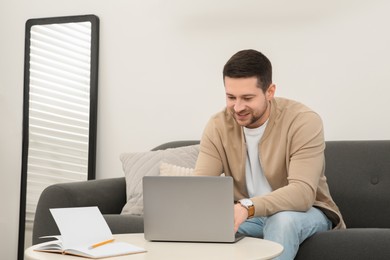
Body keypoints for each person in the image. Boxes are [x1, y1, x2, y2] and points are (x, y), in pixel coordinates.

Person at [193, 49, 345, 259]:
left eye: (247, 97)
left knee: (281, 220)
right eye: (231, 97)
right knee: (201, 229)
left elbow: (302, 194)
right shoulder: (218, 125)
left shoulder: (303, 121)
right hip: (249, 216)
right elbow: (200, 187)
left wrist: (248, 206)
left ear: (270, 91)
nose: (237, 107)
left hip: (305, 213)